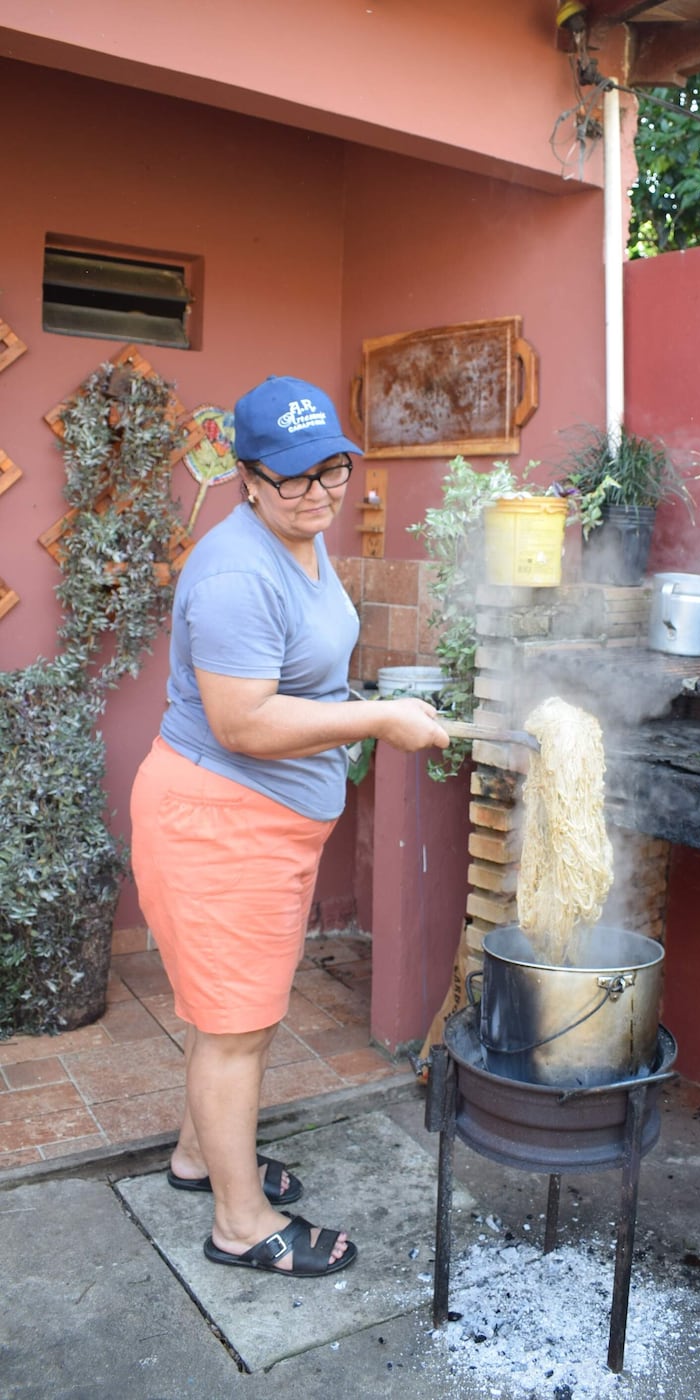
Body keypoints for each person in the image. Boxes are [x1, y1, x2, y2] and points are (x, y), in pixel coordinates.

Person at [130, 374, 449, 1280]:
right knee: (234, 1028)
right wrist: (379, 720)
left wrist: (367, 705)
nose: (319, 493)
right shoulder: (235, 570)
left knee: (237, 1016)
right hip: (218, 825)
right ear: (249, 478)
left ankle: (202, 1159)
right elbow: (245, 724)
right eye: (295, 478)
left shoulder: (301, 543)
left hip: (267, 827)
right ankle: (239, 1222)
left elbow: (301, 678)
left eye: (333, 470)